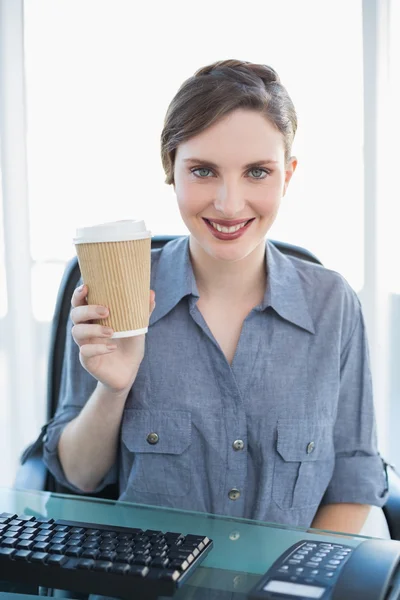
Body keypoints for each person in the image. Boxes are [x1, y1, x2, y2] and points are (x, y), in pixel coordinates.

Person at [43, 59, 388, 532]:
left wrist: (295, 584)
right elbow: (79, 477)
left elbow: (353, 479)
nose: (229, 204)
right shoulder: (113, 290)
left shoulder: (333, 305)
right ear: (171, 169)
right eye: (203, 171)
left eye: (257, 172)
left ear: (287, 174)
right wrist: (114, 386)